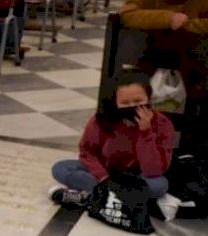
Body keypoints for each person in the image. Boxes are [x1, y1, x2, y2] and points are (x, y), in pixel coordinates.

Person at [50, 70, 177, 214]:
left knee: (158, 186)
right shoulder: (103, 119)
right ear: (115, 102)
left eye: (138, 101)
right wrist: (104, 178)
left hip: (136, 177)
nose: (132, 107)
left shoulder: (162, 124)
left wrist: (145, 132)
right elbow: (88, 152)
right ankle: (122, 197)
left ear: (149, 98)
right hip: (105, 172)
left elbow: (153, 170)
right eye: (124, 103)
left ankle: (95, 196)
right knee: (61, 168)